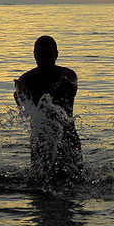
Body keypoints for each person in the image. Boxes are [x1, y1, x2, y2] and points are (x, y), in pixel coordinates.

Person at [14, 35, 83, 182]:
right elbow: (23, 105)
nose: (44, 60)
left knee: (75, 181)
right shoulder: (27, 78)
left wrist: (51, 90)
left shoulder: (66, 74)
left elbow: (69, 87)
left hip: (67, 137)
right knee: (39, 182)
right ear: (34, 55)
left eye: (48, 55)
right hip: (40, 140)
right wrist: (20, 94)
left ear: (56, 54)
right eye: (41, 55)